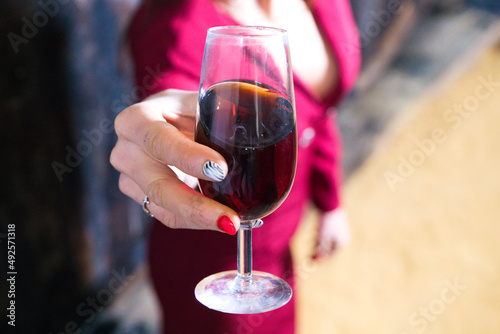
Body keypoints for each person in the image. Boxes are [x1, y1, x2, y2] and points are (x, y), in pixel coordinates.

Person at [110, 0, 361, 332]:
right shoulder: (177, 27)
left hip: (276, 253)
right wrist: (161, 142)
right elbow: (171, 99)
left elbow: (319, 109)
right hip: (214, 268)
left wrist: (331, 202)